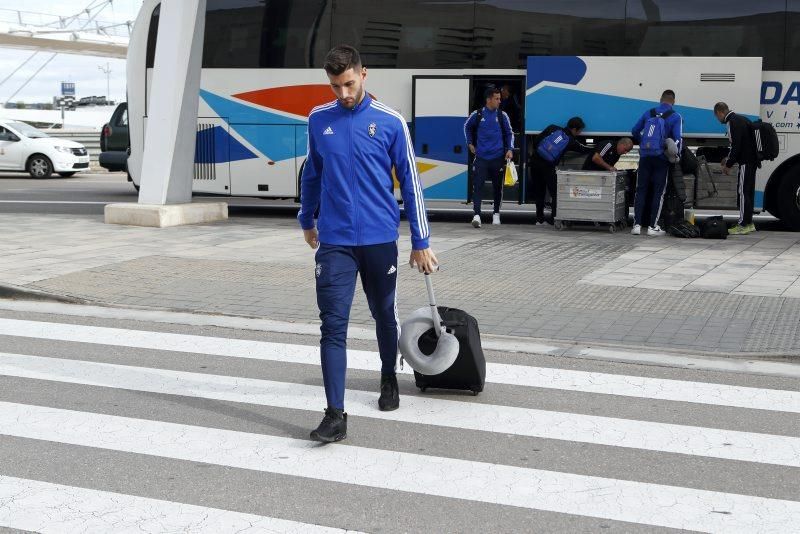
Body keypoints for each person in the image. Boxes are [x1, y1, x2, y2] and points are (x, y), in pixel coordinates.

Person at [298, 45, 438, 443]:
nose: (343, 93)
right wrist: (307, 218)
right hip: (335, 241)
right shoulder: (318, 119)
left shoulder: (391, 121)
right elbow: (312, 173)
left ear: (364, 74)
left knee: (382, 313)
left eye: (349, 83)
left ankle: (388, 376)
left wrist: (421, 241)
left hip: (379, 239)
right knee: (332, 326)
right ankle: (334, 415)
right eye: (335, 85)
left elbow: (411, 182)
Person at [630, 90, 683, 237]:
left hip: (645, 157)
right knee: (658, 193)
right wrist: (675, 154)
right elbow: (678, 139)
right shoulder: (675, 116)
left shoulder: (649, 112)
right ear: (673, 101)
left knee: (640, 190)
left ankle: (636, 225)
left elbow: (635, 130)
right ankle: (653, 226)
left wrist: (644, 144)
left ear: (660, 99)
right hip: (661, 158)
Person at [464, 86, 514, 227]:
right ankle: (477, 215)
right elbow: (467, 127)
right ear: (489, 100)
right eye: (497, 99)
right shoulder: (478, 114)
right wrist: (470, 143)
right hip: (481, 158)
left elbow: (509, 133)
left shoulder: (502, 115)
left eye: (500, 98)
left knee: (497, 187)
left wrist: (510, 149)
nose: (499, 101)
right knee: (477, 186)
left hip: (497, 158)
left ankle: (496, 214)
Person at [530, 117, 591, 224]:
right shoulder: (571, 141)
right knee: (555, 193)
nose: (580, 133)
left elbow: (536, 142)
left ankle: (539, 220)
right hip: (548, 167)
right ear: (575, 129)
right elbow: (583, 149)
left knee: (539, 192)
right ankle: (554, 219)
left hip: (535, 162)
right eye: (580, 130)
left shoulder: (552, 127)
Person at [714, 101, 759, 235]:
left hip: (745, 161)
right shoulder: (742, 118)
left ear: (720, 113)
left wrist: (728, 164)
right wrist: (728, 158)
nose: (718, 120)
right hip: (753, 161)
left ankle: (743, 224)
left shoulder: (731, 122)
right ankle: (749, 223)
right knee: (748, 192)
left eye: (717, 117)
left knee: (743, 192)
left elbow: (736, 146)